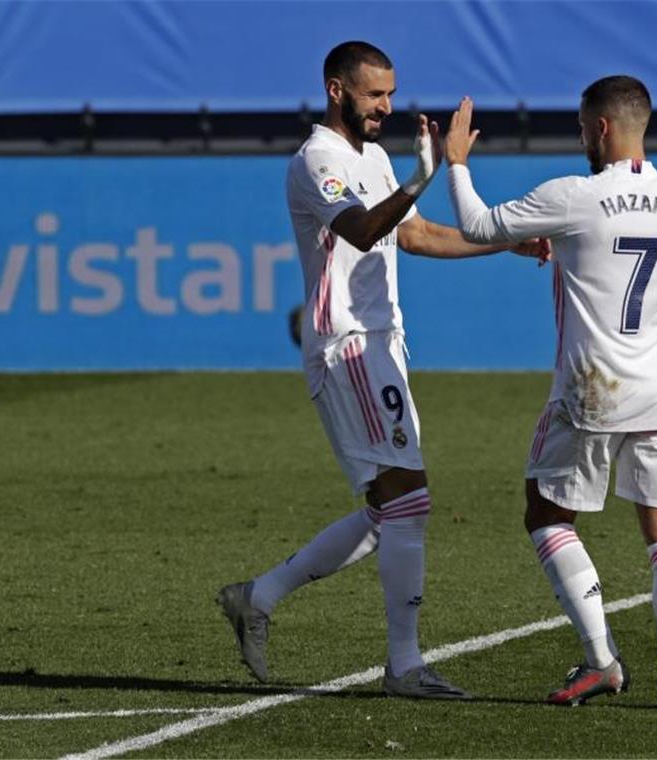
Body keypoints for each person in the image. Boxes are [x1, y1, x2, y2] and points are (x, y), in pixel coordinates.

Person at [217, 41, 547, 699]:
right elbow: (364, 231)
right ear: (337, 90)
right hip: (349, 344)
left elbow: (413, 235)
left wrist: (503, 242)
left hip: (383, 345)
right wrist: (422, 177)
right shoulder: (318, 160)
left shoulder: (373, 157)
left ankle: (258, 596)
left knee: (385, 507)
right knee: (409, 500)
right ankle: (405, 665)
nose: (386, 107)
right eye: (374, 95)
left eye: (391, 94)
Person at [443, 76, 657, 710]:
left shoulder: (574, 196)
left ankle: (602, 660)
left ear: (600, 127)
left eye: (582, 127)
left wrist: (457, 164)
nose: (581, 138)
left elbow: (476, 224)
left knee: (546, 513)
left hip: (590, 392)